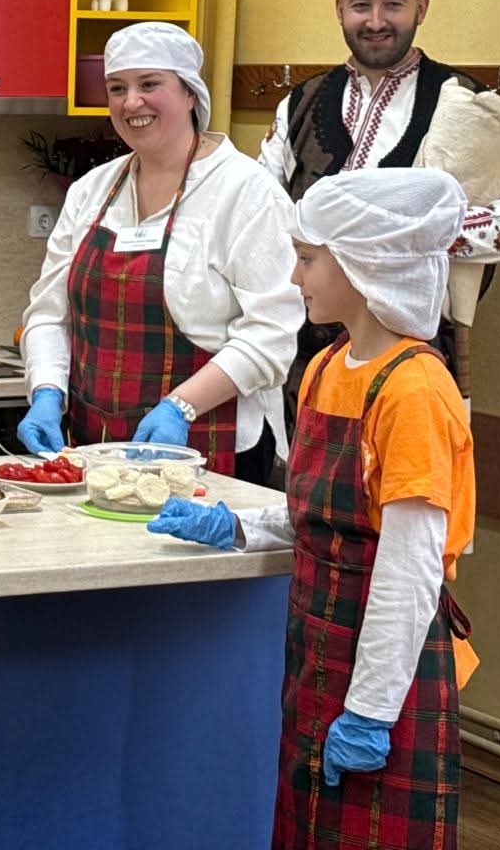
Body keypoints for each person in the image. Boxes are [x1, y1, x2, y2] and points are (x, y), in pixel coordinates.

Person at [149, 167, 477, 849]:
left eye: (306, 258)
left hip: (383, 669)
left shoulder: (415, 393)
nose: (294, 277)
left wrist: (371, 711)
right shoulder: (329, 367)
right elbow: (322, 514)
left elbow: (409, 570)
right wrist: (236, 525)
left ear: (365, 265)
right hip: (316, 654)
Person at [258, 0, 500, 407]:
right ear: (339, 10)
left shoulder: (464, 104)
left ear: (421, 8)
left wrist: (419, 234)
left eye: (393, 4)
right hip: (302, 358)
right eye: (361, 5)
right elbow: (260, 211)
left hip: (411, 361)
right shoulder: (299, 103)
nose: (376, 21)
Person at [17, 23, 302, 483]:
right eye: (117, 88)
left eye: (149, 84)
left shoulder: (247, 193)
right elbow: (49, 314)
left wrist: (180, 407)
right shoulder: (91, 191)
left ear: (190, 93)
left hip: (211, 445)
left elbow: (272, 335)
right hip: (95, 448)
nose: (132, 102)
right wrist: (47, 390)